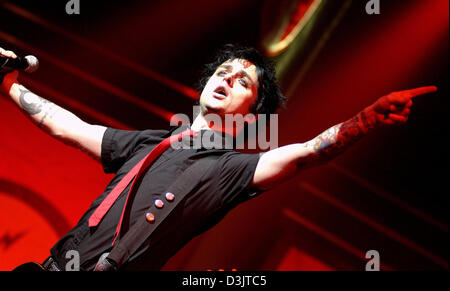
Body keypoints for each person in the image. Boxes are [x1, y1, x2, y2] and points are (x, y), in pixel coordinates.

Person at [0, 44, 437, 271]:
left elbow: (307, 154)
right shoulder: (153, 142)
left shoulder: (232, 170)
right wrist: (8, 84)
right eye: (223, 71)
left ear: (252, 116)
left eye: (243, 81)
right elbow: (69, 126)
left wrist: (366, 119)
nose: (227, 78)